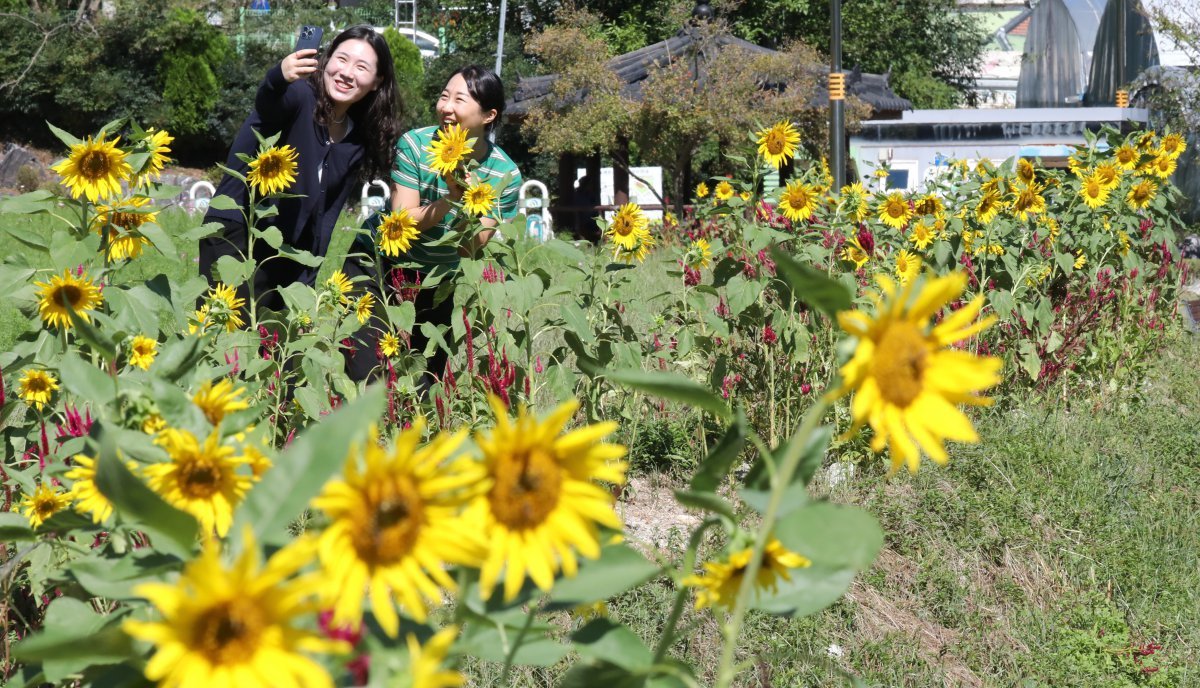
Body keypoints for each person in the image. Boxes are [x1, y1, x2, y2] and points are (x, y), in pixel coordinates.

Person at [199, 26, 400, 311]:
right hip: (238, 232)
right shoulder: (299, 95)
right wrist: (277, 77)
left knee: (281, 348)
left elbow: (328, 214)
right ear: (327, 61)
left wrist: (309, 272)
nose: (346, 72)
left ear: (377, 81)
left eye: (361, 67)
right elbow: (269, 103)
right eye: (341, 59)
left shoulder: (356, 138)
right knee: (225, 340)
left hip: (289, 251)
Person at [344, 65, 522, 383]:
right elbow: (400, 221)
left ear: (488, 115)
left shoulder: (503, 175)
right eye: (444, 96)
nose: (447, 107)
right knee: (365, 371)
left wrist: (471, 205)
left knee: (426, 381)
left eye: (460, 99)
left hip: (437, 277)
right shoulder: (414, 146)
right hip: (377, 260)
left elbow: (469, 247)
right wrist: (449, 201)